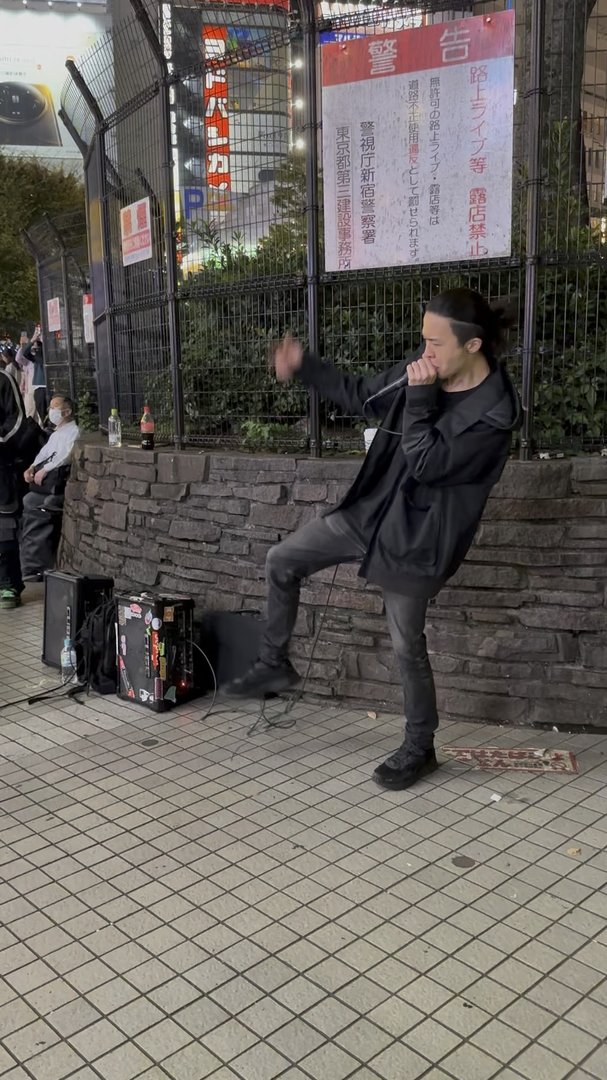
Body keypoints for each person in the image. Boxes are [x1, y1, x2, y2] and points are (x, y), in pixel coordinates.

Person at [226, 288, 521, 791]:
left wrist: (422, 398)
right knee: (282, 560)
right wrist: (305, 366)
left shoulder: (494, 418)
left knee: (407, 645)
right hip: (370, 513)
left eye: (434, 343)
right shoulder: (428, 369)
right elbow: (365, 394)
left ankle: (419, 746)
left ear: (472, 346)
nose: (424, 352)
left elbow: (428, 463)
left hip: (418, 538)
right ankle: (274, 665)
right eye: (422, 340)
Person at [20, 394, 80, 582]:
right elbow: (43, 453)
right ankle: (29, 564)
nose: (50, 412)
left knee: (39, 507)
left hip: (56, 486)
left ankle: (36, 566)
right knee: (28, 501)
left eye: (55, 408)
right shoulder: (56, 434)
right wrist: (32, 467)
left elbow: (66, 456)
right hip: (43, 485)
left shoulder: (74, 432)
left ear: (67, 411)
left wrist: (45, 470)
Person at [0, 363, 45, 609]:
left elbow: (16, 421)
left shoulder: (3, 379)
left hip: (2, 468)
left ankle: (8, 584)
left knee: (4, 527)